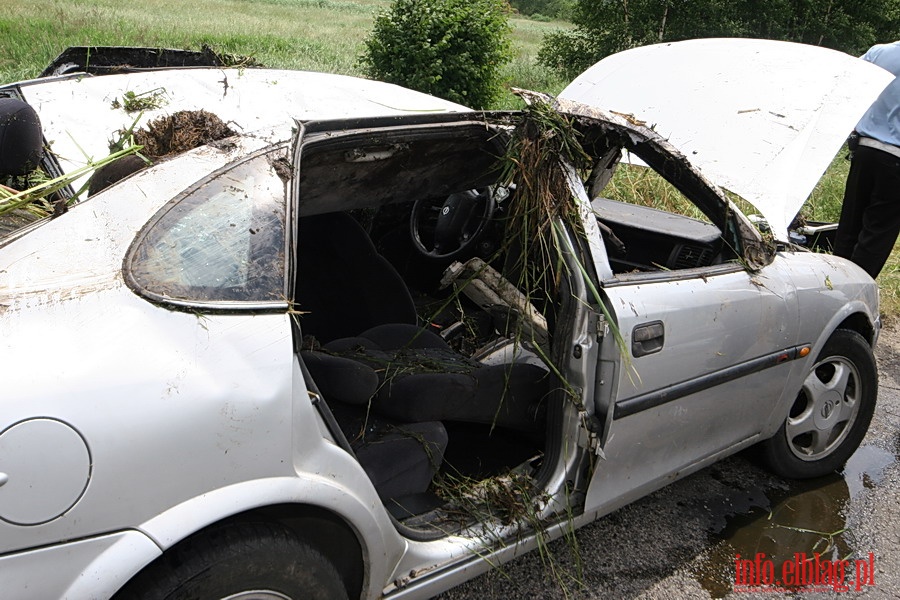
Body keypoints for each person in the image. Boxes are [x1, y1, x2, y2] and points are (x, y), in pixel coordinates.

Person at [834, 41, 900, 279]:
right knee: (876, 234)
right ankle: (854, 296)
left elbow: (847, 80)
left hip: (865, 150)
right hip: (897, 161)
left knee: (849, 225)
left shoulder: (880, 52)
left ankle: (832, 285)